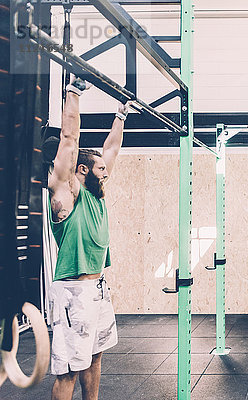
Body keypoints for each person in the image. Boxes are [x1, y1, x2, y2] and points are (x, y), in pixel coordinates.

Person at [48, 77, 127, 400]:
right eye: (99, 170)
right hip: (73, 293)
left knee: (95, 357)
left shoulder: (97, 193)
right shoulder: (67, 194)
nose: (106, 172)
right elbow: (69, 139)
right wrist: (74, 94)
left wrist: (121, 116)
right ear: (81, 170)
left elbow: (111, 148)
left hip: (98, 289)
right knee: (68, 369)